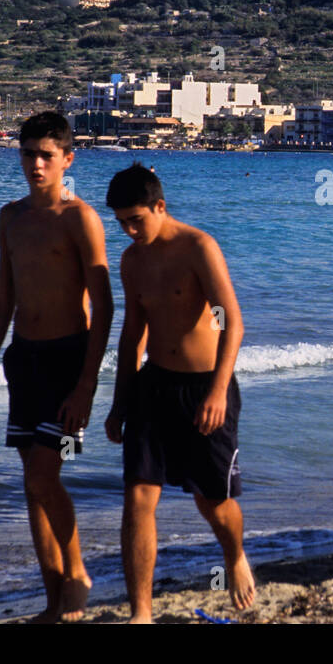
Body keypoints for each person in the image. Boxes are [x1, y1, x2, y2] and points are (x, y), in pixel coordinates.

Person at [0, 111, 114, 623]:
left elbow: (104, 305)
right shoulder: (10, 218)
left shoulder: (80, 218)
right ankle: (54, 598)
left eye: (47, 155)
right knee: (32, 483)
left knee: (45, 477)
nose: (36, 164)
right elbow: (2, 301)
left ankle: (77, 578)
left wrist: (88, 385)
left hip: (67, 359)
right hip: (22, 360)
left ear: (68, 159)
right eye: (28, 153)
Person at [104, 163, 254, 621]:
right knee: (138, 497)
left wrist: (218, 392)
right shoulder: (133, 260)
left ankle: (235, 556)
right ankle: (141, 614)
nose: (129, 230)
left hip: (206, 386)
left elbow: (232, 322)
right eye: (121, 222)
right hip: (154, 387)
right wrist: (118, 403)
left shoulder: (198, 248)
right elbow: (133, 334)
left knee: (212, 500)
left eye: (136, 219)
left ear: (160, 206)